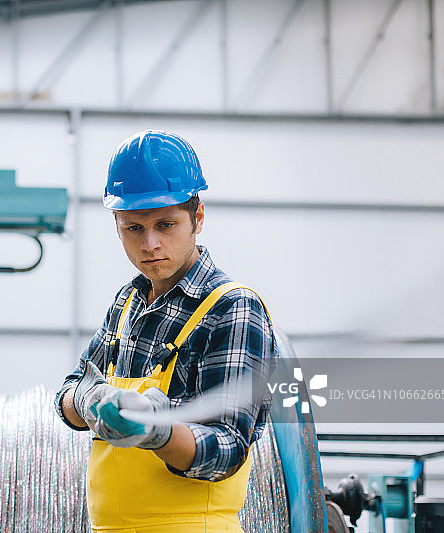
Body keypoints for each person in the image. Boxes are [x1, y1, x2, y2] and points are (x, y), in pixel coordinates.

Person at [54, 130, 277, 532]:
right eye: (133, 228)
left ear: (198, 218)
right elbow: (67, 393)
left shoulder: (233, 308)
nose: (150, 244)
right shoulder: (128, 303)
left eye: (165, 224)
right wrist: (90, 399)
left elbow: (226, 448)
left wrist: (158, 433)